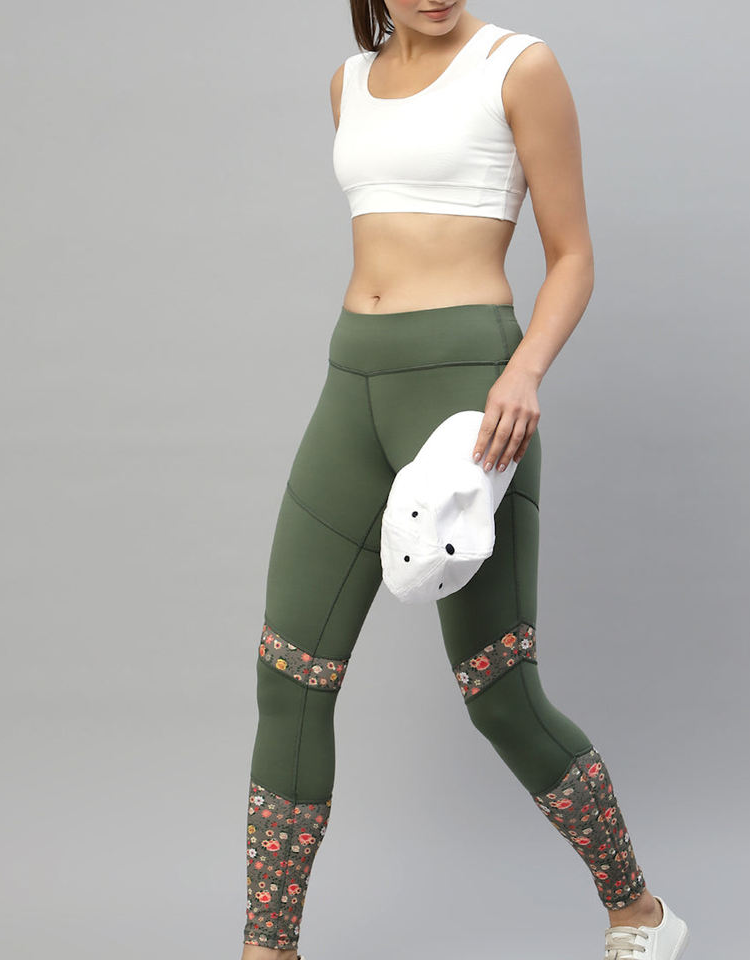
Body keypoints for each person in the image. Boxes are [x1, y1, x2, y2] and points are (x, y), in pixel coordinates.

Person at [240, 3, 689, 959]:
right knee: (291, 677)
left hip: (469, 397)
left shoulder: (517, 66)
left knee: (500, 693)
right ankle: (268, 948)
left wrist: (523, 372)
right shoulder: (348, 84)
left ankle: (639, 913)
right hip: (352, 384)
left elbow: (573, 255)